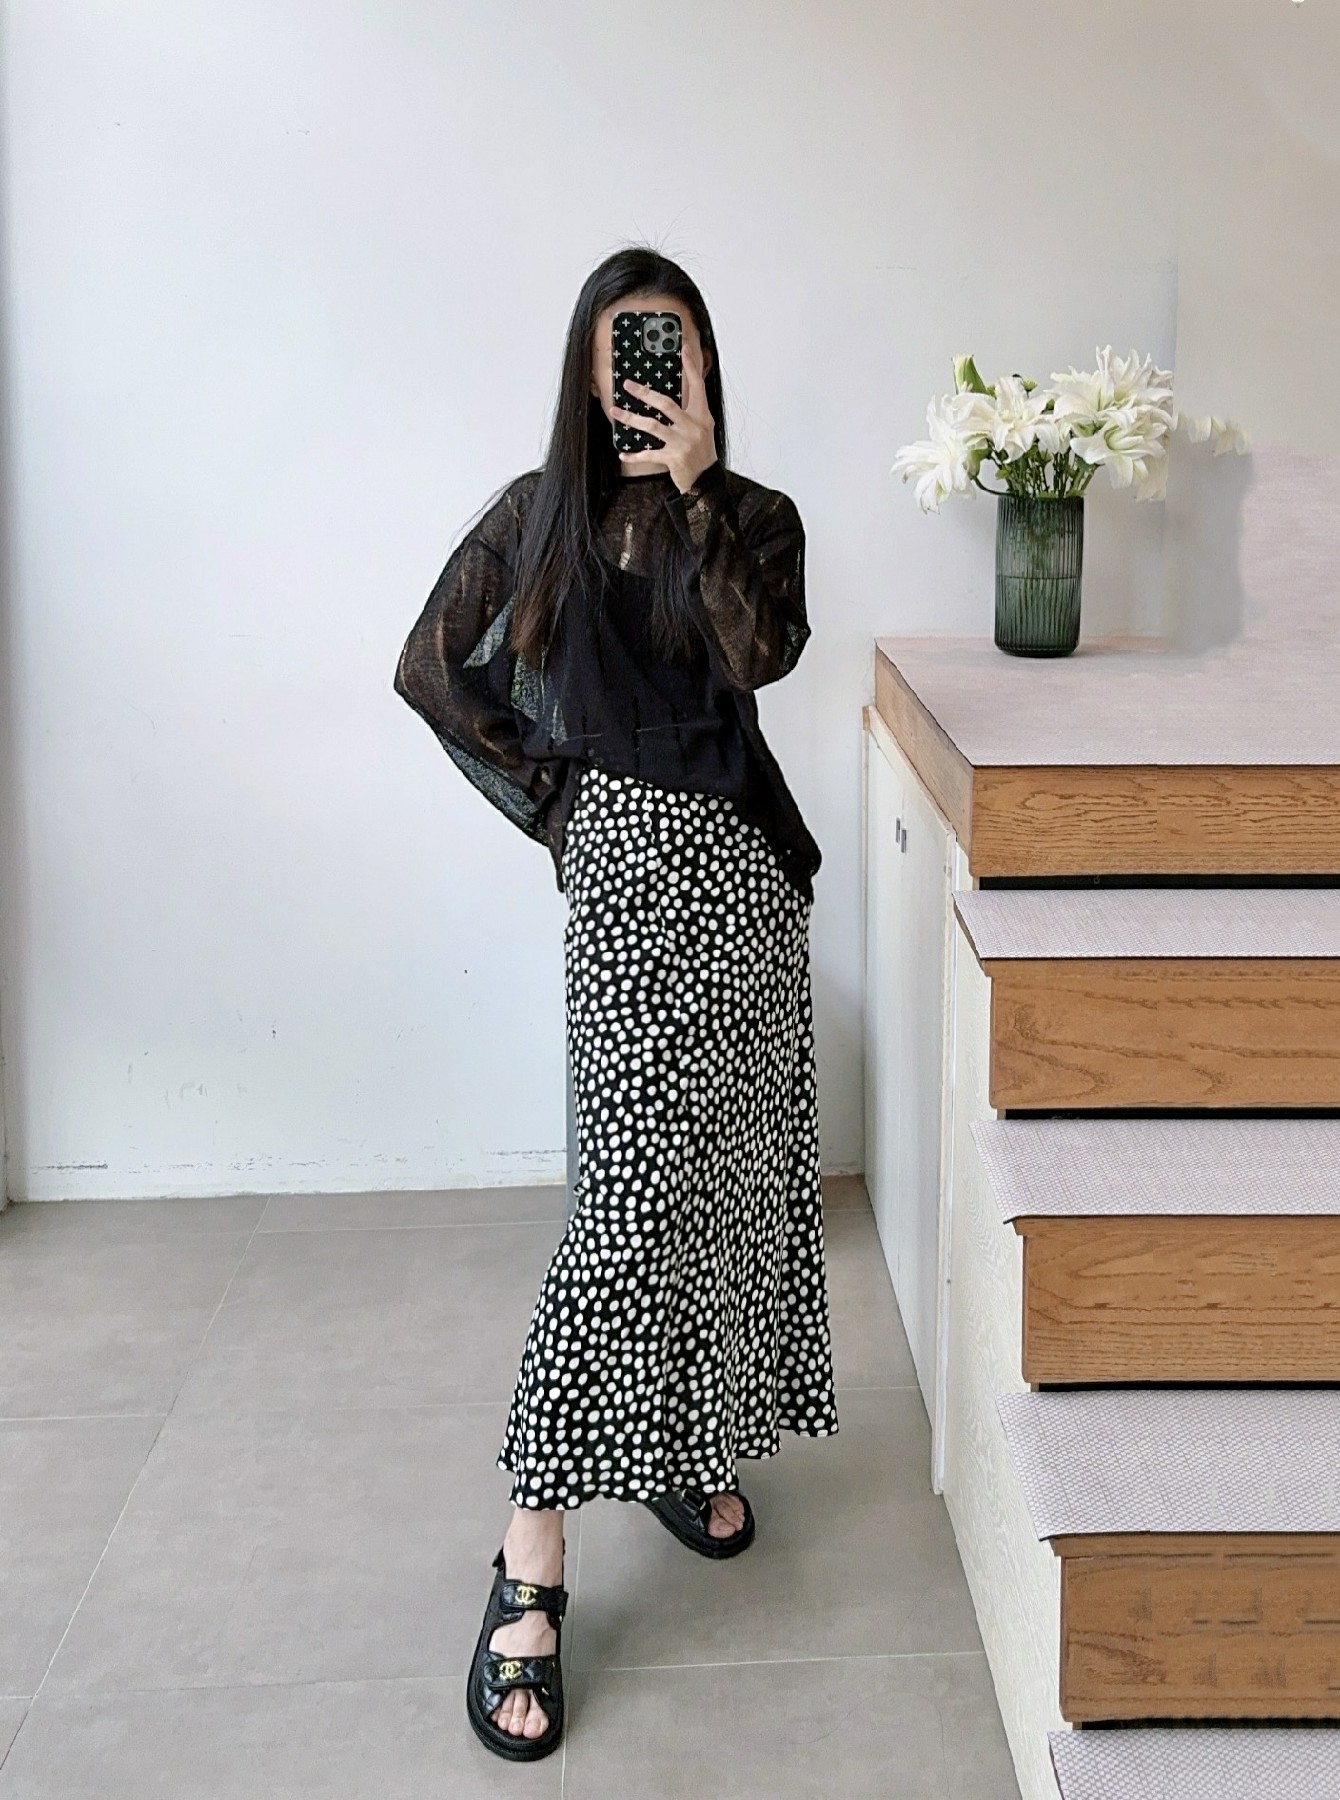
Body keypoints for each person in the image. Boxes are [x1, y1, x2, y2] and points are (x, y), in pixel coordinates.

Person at [394, 245, 837, 1763]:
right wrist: (564, 807)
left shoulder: (757, 518)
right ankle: (531, 1552)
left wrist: (701, 486)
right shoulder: (538, 517)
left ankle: (681, 1441)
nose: (649, 367)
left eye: (675, 343)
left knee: (728, 1182)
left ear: (703, 365)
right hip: (633, 883)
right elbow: (430, 667)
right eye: (625, 346)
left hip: (748, 880)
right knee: (630, 1210)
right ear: (588, 368)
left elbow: (758, 656)